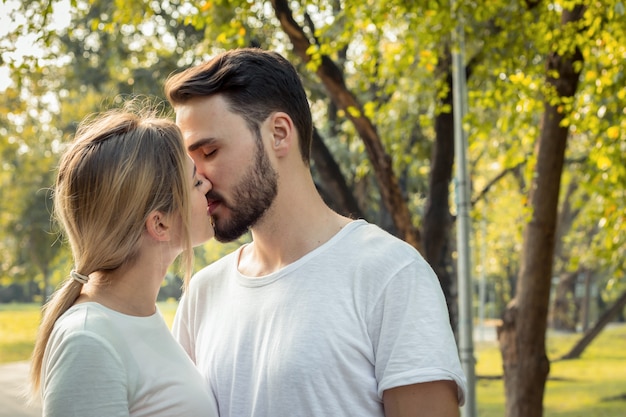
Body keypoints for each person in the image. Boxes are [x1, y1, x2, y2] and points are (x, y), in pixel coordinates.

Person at [165, 48, 467, 417]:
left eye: (209, 151)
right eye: (189, 162)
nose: (196, 178)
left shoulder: (391, 275)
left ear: (279, 134)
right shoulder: (202, 293)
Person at [29, 105, 219, 417]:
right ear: (159, 224)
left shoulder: (136, 317)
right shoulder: (88, 340)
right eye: (196, 183)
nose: (209, 186)